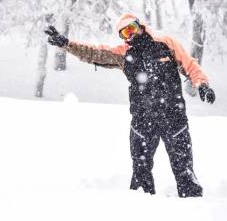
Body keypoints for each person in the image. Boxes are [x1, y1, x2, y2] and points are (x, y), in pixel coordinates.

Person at [44, 13, 215, 198]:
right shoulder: (124, 54)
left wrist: (202, 84)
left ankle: (193, 204)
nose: (131, 34)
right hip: (143, 120)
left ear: (140, 26)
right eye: (125, 33)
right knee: (140, 168)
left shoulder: (167, 43)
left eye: (132, 28)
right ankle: (140, 205)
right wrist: (66, 43)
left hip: (173, 116)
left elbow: (190, 65)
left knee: (183, 166)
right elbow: (93, 52)